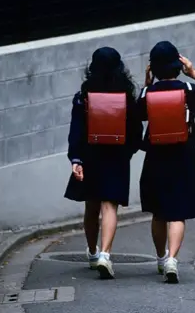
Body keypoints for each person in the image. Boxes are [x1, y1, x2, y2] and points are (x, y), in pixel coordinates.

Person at [137, 41, 195, 284]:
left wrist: (147, 84)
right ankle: (174, 259)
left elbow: (137, 113)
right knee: (177, 212)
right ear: (178, 65)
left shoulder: (147, 94)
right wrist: (194, 72)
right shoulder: (189, 90)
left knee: (158, 212)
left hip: (155, 158)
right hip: (183, 155)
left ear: (152, 69)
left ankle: (161, 257)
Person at [64, 47, 143, 279]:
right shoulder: (127, 98)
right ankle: (105, 255)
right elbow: (136, 131)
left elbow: (76, 130)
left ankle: (91, 252)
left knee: (91, 206)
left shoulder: (84, 97)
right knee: (110, 206)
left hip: (90, 154)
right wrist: (127, 152)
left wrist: (76, 159)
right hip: (117, 156)